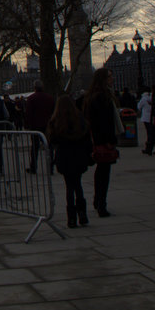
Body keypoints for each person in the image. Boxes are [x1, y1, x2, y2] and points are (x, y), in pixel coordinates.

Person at [46, 96, 93, 227]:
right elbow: (87, 139)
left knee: (69, 187)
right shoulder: (80, 119)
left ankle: (71, 218)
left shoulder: (56, 121)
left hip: (65, 157)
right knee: (78, 185)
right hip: (79, 156)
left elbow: (52, 141)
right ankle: (82, 214)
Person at [83, 67, 119, 217]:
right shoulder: (102, 97)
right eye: (110, 76)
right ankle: (101, 204)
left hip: (98, 140)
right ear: (103, 79)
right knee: (104, 173)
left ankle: (98, 201)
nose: (112, 78)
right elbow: (104, 122)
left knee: (101, 172)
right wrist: (109, 141)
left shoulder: (92, 96)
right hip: (103, 141)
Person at [25, 80, 55, 174]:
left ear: (34, 88)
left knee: (34, 147)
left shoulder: (31, 98)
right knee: (49, 147)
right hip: (47, 125)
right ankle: (50, 167)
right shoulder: (50, 98)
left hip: (35, 126)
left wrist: (27, 124)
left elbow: (28, 113)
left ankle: (33, 167)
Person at [137, 86, 155, 154]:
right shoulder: (152, 97)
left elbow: (139, 106)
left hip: (146, 117)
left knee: (149, 133)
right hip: (152, 117)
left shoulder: (143, 98)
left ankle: (148, 148)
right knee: (152, 133)